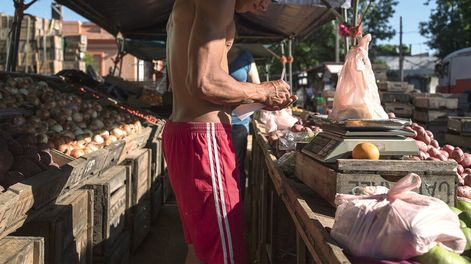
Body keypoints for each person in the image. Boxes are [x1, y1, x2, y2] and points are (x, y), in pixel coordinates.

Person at [163, 1, 295, 263]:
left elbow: (202, 85)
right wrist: (263, 90)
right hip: (204, 139)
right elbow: (205, 82)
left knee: (201, 251)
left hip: (185, 133)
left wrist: (261, 99)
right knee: (224, 255)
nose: (266, 6)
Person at [228, 48, 260, 201]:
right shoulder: (213, 53)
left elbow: (257, 88)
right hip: (214, 120)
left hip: (238, 121)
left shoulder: (246, 57)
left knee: (236, 165)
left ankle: (237, 204)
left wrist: (241, 96)